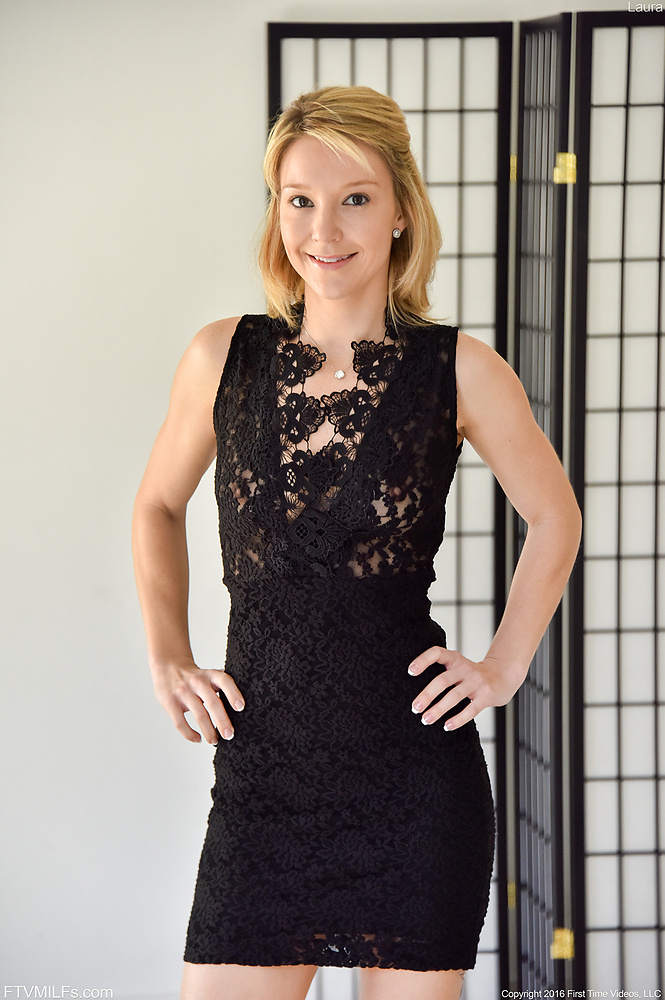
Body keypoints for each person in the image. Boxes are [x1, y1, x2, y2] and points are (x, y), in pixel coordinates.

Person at [132, 85, 582, 1000]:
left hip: (412, 784)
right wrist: (168, 656)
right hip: (262, 785)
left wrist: (500, 667)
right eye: (299, 199)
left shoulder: (459, 370)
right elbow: (156, 507)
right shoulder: (221, 358)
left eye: (355, 198)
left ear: (401, 212)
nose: (323, 229)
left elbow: (554, 516)